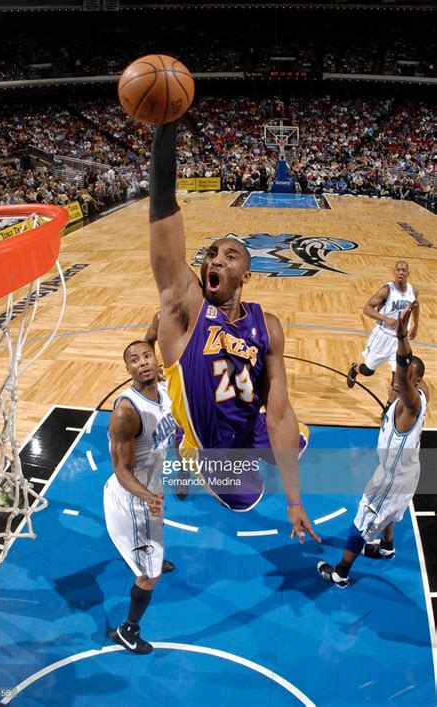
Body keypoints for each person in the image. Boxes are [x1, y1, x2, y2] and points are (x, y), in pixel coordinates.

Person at [148, 121, 320, 544]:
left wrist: (295, 501)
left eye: (230, 255)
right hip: (214, 447)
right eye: (211, 254)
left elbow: (278, 411)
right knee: (247, 497)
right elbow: (164, 206)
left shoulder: (268, 326)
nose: (216, 260)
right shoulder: (185, 308)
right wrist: (166, 125)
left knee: (295, 441)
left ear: (247, 273)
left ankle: (196, 434)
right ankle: (182, 448)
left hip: (248, 422)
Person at [318, 303, 428, 588]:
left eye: (402, 381)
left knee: (363, 519)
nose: (395, 382)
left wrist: (403, 338)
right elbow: (405, 377)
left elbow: (403, 374)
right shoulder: (421, 393)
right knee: (392, 512)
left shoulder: (411, 403)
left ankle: (341, 573)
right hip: (409, 473)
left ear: (414, 382)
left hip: (391, 479)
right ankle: (387, 547)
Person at [104, 340, 176, 654]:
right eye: (134, 359)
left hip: (149, 491)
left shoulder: (167, 394)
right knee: (150, 575)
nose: (143, 362)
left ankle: (150, 555)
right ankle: (127, 630)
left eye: (147, 355)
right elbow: (121, 469)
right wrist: (148, 496)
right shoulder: (126, 412)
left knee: (153, 547)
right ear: (128, 369)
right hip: (132, 500)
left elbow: (176, 431)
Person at [346, 261, 419, 414]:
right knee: (367, 370)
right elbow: (366, 308)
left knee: (398, 380)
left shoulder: (413, 291)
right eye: (398, 269)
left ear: (408, 273)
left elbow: (416, 306)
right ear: (394, 272)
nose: (400, 272)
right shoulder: (387, 290)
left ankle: (387, 408)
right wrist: (385, 318)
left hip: (400, 340)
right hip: (383, 337)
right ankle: (354, 369)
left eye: (403, 270)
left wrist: (415, 326)